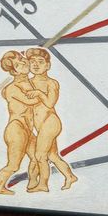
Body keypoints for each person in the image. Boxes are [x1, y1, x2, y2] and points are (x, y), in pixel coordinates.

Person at [23, 47, 77, 192]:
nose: (35, 64)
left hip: (50, 122)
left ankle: (43, 185)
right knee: (52, 155)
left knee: (40, 155)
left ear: (48, 65)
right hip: (39, 125)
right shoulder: (27, 82)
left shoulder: (51, 83)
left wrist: (39, 93)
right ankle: (70, 176)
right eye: (32, 61)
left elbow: (50, 103)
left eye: (40, 61)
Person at [0, 50, 44, 195]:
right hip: (16, 129)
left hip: (28, 129)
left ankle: (33, 183)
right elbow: (30, 101)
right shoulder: (12, 88)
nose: (24, 62)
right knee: (14, 165)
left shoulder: (30, 83)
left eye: (22, 59)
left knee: (38, 157)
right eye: (19, 64)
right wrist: (44, 94)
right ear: (14, 71)